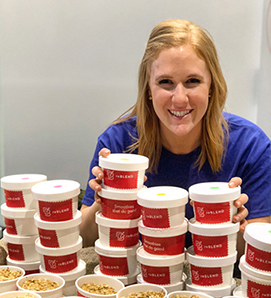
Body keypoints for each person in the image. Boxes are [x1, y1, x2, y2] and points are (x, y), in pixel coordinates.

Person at [79, 19, 271, 263]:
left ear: (211, 85)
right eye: (165, 82)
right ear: (148, 88)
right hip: (136, 284)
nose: (180, 99)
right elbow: (84, 237)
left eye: (193, 81)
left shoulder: (251, 146)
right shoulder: (117, 144)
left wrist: (238, 225)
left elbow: (256, 256)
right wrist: (104, 201)